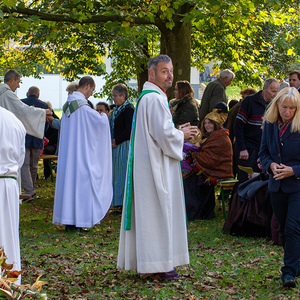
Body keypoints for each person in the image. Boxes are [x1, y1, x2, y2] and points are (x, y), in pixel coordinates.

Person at [117, 55, 198, 280]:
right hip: (154, 168)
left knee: (152, 213)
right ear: (151, 73)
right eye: (164, 71)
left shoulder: (151, 97)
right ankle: (156, 265)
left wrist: (176, 131)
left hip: (150, 164)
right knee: (156, 213)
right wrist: (181, 133)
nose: (170, 75)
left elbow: (159, 130)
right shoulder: (153, 98)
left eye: (171, 71)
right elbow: (164, 135)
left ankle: (153, 263)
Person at [52, 76, 113, 232]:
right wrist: (104, 118)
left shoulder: (68, 104)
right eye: (92, 90)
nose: (91, 94)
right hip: (80, 155)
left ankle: (69, 221)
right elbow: (97, 122)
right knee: (81, 186)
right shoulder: (81, 106)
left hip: (69, 154)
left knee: (70, 186)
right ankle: (79, 221)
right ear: (87, 86)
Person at [259, 87, 300, 288]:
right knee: (283, 229)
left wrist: (294, 170)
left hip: (297, 184)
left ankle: (289, 272)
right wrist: (270, 165)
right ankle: (296, 265)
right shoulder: (270, 124)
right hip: (277, 185)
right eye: (284, 107)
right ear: (277, 105)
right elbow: (263, 153)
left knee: (293, 228)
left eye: (292, 108)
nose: (287, 111)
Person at [183, 105, 233, 220]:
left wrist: (194, 155)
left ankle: (195, 212)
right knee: (191, 178)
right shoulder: (214, 136)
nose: (207, 126)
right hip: (210, 169)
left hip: (218, 171)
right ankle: (199, 211)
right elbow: (208, 155)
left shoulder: (221, 138)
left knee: (193, 181)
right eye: (205, 123)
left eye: (210, 123)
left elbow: (213, 159)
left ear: (216, 124)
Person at [234, 78, 280, 181]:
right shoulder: (249, 101)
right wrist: (242, 148)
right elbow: (238, 126)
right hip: (248, 147)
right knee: (245, 179)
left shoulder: (276, 104)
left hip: (263, 149)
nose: (275, 94)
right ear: (264, 89)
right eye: (273, 91)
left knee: (260, 179)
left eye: (277, 91)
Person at [0, 106, 26, 283]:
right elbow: (20, 158)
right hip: (9, 181)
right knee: (8, 232)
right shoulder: (14, 120)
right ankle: (11, 279)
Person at [0, 70, 48, 139]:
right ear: (12, 80)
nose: (18, 86)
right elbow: (23, 110)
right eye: (18, 82)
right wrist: (43, 112)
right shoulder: (7, 94)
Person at [109, 84, 134, 208]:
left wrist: (117, 140)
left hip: (124, 145)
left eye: (115, 96)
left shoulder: (128, 109)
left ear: (123, 96)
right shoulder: (116, 110)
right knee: (116, 173)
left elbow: (129, 129)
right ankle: (117, 201)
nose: (113, 98)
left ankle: (124, 203)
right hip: (116, 145)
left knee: (123, 173)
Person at [21, 86, 48, 197]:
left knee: (25, 164)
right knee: (34, 165)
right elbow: (45, 124)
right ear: (38, 94)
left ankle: (29, 189)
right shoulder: (44, 106)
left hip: (25, 137)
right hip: (38, 138)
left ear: (28, 94)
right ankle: (31, 187)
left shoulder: (21, 103)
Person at [43, 101, 59, 179]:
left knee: (46, 151)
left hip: (53, 145)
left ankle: (47, 174)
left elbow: (55, 136)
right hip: (45, 143)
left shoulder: (55, 120)